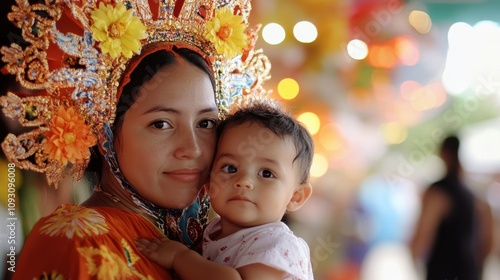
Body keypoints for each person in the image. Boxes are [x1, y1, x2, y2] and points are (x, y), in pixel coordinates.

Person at [0, 0, 271, 279]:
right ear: (103, 131)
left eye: (206, 123)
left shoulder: (223, 246)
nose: (193, 149)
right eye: (161, 124)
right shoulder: (76, 241)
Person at [136, 102, 315, 279]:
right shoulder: (212, 232)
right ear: (208, 181)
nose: (243, 181)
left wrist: (180, 257)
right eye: (230, 168)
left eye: (266, 173)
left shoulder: (279, 244)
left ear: (295, 196)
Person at [409, 135, 494, 280]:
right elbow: (488, 240)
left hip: (443, 271)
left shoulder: (438, 192)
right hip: (469, 271)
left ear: (443, 154)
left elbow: (422, 235)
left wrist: (413, 258)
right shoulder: (474, 196)